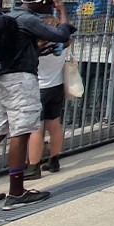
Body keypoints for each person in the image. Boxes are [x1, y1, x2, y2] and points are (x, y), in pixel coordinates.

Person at [0, 0, 75, 212]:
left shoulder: (8, 17)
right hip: (20, 81)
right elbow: (61, 34)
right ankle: (17, 191)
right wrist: (62, 11)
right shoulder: (29, 19)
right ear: (44, 3)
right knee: (21, 132)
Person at [24, 15, 67, 180]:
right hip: (56, 86)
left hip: (39, 88)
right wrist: (62, 10)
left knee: (36, 128)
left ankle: (33, 165)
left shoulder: (36, 48)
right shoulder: (62, 44)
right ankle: (54, 159)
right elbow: (66, 28)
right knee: (54, 125)